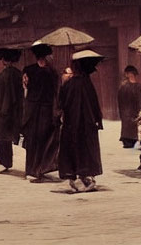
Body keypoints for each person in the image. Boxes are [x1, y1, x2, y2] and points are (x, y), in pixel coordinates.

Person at [58, 50, 105, 193]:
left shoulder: (68, 84)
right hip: (86, 125)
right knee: (86, 151)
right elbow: (94, 104)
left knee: (72, 150)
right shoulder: (87, 83)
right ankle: (85, 177)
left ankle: (73, 177)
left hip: (71, 125)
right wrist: (97, 120)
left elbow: (61, 103)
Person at [22, 43, 59, 182]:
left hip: (32, 109)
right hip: (46, 110)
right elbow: (56, 92)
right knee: (44, 140)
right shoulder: (52, 72)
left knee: (32, 140)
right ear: (46, 57)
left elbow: (25, 88)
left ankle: (30, 169)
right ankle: (40, 169)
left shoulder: (28, 70)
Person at [0, 48, 24, 171]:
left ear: (4, 60)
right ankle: (7, 163)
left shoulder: (5, 75)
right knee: (7, 139)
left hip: (3, 112)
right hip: (13, 111)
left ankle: (5, 163)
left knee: (2, 139)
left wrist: (3, 112)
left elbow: (7, 96)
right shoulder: (18, 73)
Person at [117, 65, 141, 149]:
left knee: (134, 126)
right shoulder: (123, 87)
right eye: (128, 74)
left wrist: (140, 109)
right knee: (127, 127)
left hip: (135, 110)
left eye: (132, 74)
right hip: (126, 111)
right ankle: (127, 140)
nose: (130, 75)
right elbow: (120, 100)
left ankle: (134, 140)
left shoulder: (140, 87)